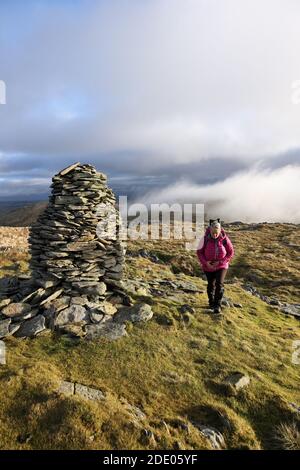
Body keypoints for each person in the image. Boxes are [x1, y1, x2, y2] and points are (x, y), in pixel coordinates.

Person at [196, 218, 234, 314]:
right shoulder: (205, 239)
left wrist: (221, 262)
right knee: (210, 285)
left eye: (217, 233)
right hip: (208, 266)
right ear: (210, 231)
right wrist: (206, 263)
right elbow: (199, 252)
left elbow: (230, 252)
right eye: (213, 233)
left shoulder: (225, 239)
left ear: (220, 231)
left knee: (219, 284)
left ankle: (217, 305)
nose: (215, 234)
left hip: (221, 266)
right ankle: (211, 302)